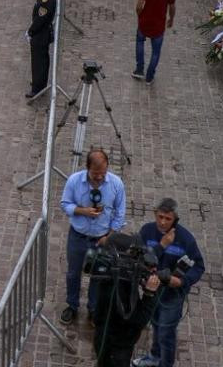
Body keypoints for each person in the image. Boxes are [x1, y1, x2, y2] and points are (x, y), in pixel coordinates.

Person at [132, 199, 206, 367]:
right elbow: (139, 258)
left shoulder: (186, 239)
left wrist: (181, 281)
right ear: (155, 214)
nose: (163, 222)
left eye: (168, 219)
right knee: (155, 326)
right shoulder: (147, 231)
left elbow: (199, 266)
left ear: (176, 220)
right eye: (160, 217)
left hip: (172, 296)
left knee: (166, 332)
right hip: (151, 291)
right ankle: (154, 357)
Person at [60, 148, 127, 324]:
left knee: (99, 274)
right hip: (78, 236)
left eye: (103, 173)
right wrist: (82, 211)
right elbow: (65, 204)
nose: (99, 177)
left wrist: (110, 235)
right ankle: (72, 305)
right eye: (95, 173)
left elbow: (120, 212)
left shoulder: (116, 184)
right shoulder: (74, 181)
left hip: (102, 239)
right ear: (87, 168)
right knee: (73, 273)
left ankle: (94, 309)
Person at [91, 234, 163, 367]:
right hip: (117, 349)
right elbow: (139, 319)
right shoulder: (118, 289)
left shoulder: (110, 273)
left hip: (104, 338)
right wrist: (150, 293)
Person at [134, 0, 176, 83]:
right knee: (155, 52)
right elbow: (172, 7)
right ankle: (149, 77)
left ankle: (139, 69)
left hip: (144, 21)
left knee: (140, 43)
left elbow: (139, 5)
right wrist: (171, 19)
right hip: (158, 24)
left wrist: (139, 16)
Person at [26, 0, 56, 98]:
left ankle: (37, 88)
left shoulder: (46, 1)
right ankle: (39, 83)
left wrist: (30, 31)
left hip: (40, 35)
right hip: (41, 34)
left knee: (39, 61)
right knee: (40, 60)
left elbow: (39, 20)